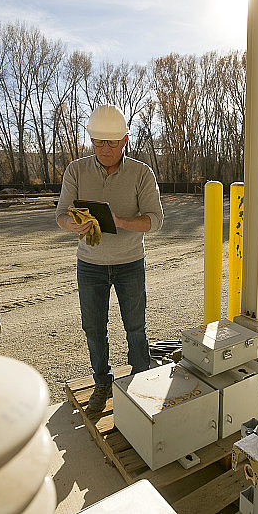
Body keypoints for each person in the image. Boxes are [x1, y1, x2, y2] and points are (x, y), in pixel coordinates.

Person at [56, 104, 164, 414]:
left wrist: (118, 221)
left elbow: (155, 221)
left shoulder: (141, 173)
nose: (105, 149)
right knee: (93, 327)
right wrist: (72, 224)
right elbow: (61, 215)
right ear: (91, 140)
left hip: (130, 263)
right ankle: (102, 383)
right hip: (90, 265)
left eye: (112, 143)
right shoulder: (76, 170)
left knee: (135, 326)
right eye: (99, 142)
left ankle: (141, 378)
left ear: (125, 140)